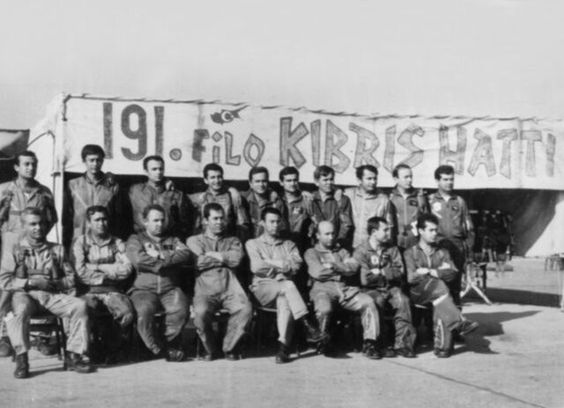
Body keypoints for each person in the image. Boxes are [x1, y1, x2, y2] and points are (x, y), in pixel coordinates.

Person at [0, 207, 92, 378]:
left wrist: (55, 283)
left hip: (52, 296)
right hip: (25, 295)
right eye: (33, 224)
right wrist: (30, 282)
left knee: (80, 305)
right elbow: (4, 280)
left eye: (41, 223)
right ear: (24, 226)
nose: (38, 227)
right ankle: (22, 358)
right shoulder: (15, 249)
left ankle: (74, 355)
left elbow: (71, 279)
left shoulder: (57, 249)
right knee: (19, 311)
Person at [246, 207, 324, 364]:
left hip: (285, 291)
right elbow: (257, 267)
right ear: (262, 223)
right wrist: (282, 266)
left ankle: (283, 349)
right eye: (271, 222)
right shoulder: (253, 243)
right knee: (288, 284)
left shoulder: (289, 244)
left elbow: (296, 266)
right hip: (262, 290)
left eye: (278, 222)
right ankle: (307, 324)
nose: (275, 225)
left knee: (285, 299)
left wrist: (269, 263)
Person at [0, 151, 58, 357]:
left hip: (35, 249)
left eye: (34, 164)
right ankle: (6, 336)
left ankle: (42, 336)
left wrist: (38, 238)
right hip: (10, 248)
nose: (30, 168)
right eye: (26, 164)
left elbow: (51, 219)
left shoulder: (44, 192)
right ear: (16, 167)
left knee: (38, 286)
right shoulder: (5, 190)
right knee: (7, 291)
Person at [403, 214, 479, 358]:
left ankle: (443, 348)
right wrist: (440, 272)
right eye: (431, 230)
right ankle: (457, 324)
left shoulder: (442, 252)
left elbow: (453, 273)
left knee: (441, 298)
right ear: (421, 231)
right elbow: (411, 278)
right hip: (417, 293)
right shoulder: (410, 253)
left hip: (437, 291)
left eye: (436, 230)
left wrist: (429, 271)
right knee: (442, 288)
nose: (435, 233)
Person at [304, 221, 382, 359]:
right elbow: (317, 272)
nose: (331, 237)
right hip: (322, 290)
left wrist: (333, 266)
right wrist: (341, 271)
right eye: (327, 234)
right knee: (324, 308)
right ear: (318, 235)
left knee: (368, 302)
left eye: (333, 233)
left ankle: (370, 343)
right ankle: (323, 341)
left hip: (345, 290)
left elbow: (353, 268)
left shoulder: (342, 251)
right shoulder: (311, 252)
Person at [126, 204, 193, 362]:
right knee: (143, 311)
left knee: (180, 309)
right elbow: (138, 259)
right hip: (144, 289)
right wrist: (162, 264)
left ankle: (170, 343)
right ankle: (154, 347)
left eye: (162, 220)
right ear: (145, 221)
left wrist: (161, 256)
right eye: (155, 220)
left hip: (170, 288)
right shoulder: (136, 239)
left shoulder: (172, 240)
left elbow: (185, 254)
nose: (160, 224)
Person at [187, 203, 252, 361]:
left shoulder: (233, 240)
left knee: (245, 309)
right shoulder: (194, 240)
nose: (219, 222)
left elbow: (236, 259)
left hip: (230, 288)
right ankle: (210, 348)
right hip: (205, 289)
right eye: (215, 218)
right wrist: (225, 258)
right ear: (205, 220)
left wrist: (214, 255)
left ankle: (228, 347)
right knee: (201, 312)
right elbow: (198, 262)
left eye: (222, 218)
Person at [72, 205, 134, 363]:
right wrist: (109, 272)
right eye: (97, 220)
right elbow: (81, 272)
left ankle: (115, 347)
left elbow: (126, 269)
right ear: (89, 223)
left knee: (126, 312)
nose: (101, 223)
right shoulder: (81, 243)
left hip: (113, 290)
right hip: (89, 291)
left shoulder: (117, 242)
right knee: (87, 309)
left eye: (104, 219)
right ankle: (91, 347)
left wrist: (96, 267)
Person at [353, 217, 416, 358]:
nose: (389, 233)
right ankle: (378, 344)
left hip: (391, 287)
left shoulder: (392, 249)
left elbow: (400, 272)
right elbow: (365, 279)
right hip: (370, 290)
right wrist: (388, 273)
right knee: (378, 301)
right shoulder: (361, 251)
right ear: (374, 232)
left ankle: (403, 344)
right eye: (385, 230)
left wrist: (382, 272)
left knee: (403, 301)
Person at [428, 165, 475, 307]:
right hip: (437, 248)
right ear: (437, 181)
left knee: (455, 287)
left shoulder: (459, 201)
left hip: (457, 248)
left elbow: (469, 227)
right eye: (445, 179)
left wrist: (468, 250)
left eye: (451, 179)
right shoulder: (429, 200)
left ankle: (456, 318)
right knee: (437, 286)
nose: (449, 182)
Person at [64, 144, 124, 248]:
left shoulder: (112, 186)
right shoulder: (72, 185)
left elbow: (118, 217)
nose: (95, 164)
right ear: (84, 161)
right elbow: (66, 216)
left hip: (104, 242)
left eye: (98, 160)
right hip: (79, 240)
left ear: (102, 161)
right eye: (91, 160)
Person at [129, 155, 192, 240]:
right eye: (154, 169)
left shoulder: (175, 194)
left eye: (161, 169)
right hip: (141, 238)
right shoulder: (135, 190)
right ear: (146, 171)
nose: (158, 172)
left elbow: (183, 222)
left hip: (167, 239)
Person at [191, 163, 250, 241]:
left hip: (227, 239)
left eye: (219, 177)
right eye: (212, 177)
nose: (216, 181)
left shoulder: (233, 196)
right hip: (206, 241)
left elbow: (243, 224)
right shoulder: (200, 198)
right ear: (206, 180)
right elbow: (197, 226)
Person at [344, 165, 394, 249]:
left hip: (372, 248)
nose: (373, 182)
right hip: (351, 246)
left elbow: (389, 226)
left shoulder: (383, 199)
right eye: (369, 179)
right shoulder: (348, 194)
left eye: (375, 178)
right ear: (359, 180)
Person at [310, 166, 353, 248]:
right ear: (316, 182)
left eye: (331, 179)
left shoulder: (342, 199)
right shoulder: (310, 199)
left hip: (335, 244)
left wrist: (339, 241)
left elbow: (346, 224)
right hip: (314, 245)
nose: (329, 182)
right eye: (325, 180)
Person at [389, 164, 429, 251]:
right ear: (396, 179)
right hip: (395, 245)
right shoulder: (390, 198)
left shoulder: (419, 197)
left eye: (411, 177)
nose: (410, 180)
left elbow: (426, 222)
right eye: (406, 177)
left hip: (415, 245)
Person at [277, 166, 314, 254]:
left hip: (299, 245)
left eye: (295, 180)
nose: (292, 183)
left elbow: (314, 221)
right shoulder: (276, 199)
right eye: (288, 180)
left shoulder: (306, 200)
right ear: (281, 182)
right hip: (279, 245)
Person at [242, 167, 285, 239]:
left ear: (268, 182)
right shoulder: (243, 199)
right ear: (250, 183)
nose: (261, 185)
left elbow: (281, 228)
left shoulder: (276, 201)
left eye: (264, 181)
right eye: (257, 181)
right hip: (247, 241)